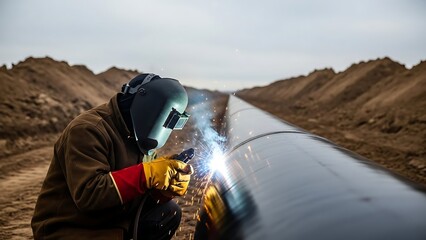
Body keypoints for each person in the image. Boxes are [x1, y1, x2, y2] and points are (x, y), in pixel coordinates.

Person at [31, 73, 193, 240]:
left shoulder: (140, 137)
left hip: (112, 222)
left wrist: (162, 190)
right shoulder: (88, 130)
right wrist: (146, 174)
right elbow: (90, 195)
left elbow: (136, 194)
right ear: (148, 109)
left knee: (168, 213)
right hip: (71, 228)